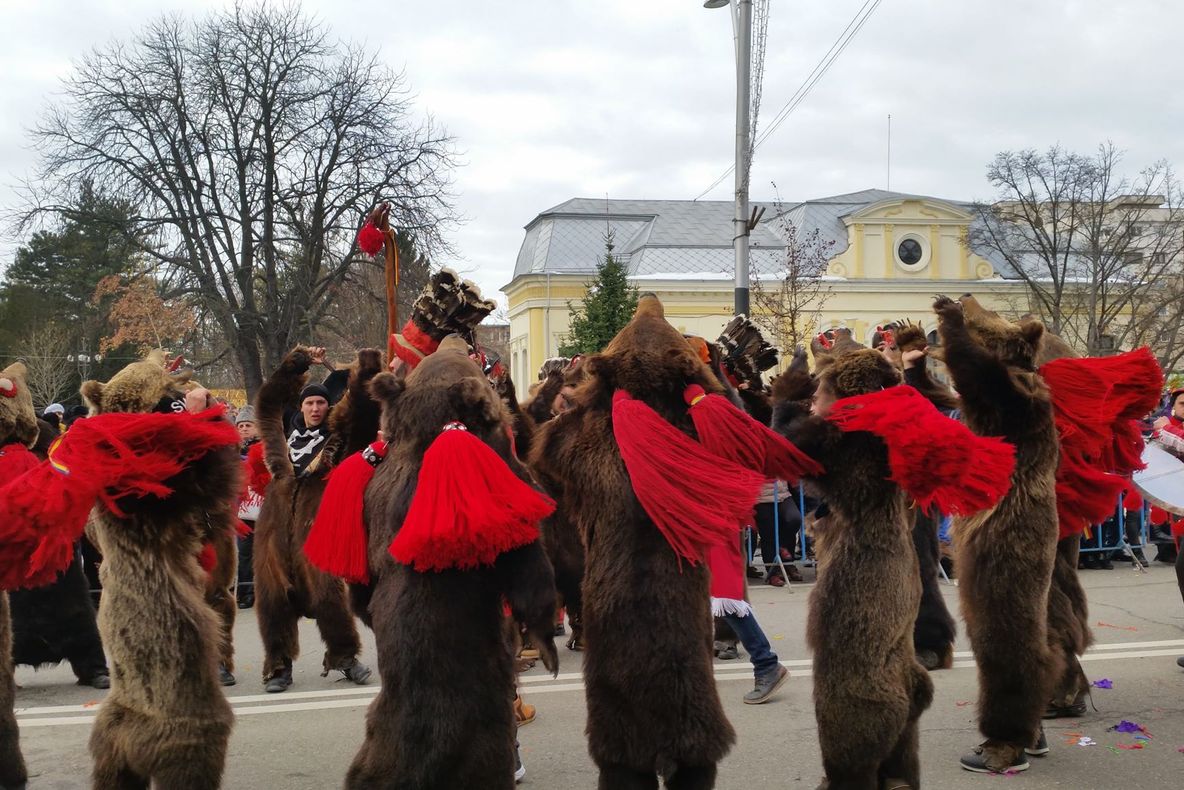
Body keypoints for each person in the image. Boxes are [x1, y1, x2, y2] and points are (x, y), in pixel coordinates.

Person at [753, 480, 803, 585]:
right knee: (768, 534)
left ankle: (786, 559)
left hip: (783, 495)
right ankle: (773, 573)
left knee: (794, 519)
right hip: (760, 498)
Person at [236, 406, 261, 609]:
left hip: (263, 507)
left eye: (248, 425)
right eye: (241, 425)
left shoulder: (265, 448)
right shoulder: (233, 450)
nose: (244, 429)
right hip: (242, 510)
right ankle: (245, 592)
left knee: (264, 550)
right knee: (244, 552)